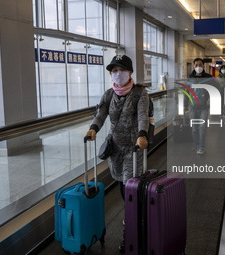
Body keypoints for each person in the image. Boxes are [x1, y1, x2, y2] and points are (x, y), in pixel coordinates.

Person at [85, 55, 149, 252]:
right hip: (114, 149)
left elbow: (142, 116)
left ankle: (129, 233)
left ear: (130, 72)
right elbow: (101, 114)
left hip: (133, 148)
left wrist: (142, 135)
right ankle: (135, 220)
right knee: (123, 186)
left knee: (130, 188)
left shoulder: (140, 93)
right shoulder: (108, 94)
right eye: (114, 71)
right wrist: (93, 128)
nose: (117, 74)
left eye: (121, 70)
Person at [185, 58, 220, 155]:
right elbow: (186, 92)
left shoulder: (208, 78)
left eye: (200, 65)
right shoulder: (190, 78)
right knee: (194, 128)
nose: (198, 67)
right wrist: (185, 106)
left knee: (202, 127)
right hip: (192, 107)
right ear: (193, 66)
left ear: (203, 66)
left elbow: (218, 89)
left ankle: (201, 147)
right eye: (196, 65)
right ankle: (196, 145)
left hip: (204, 107)